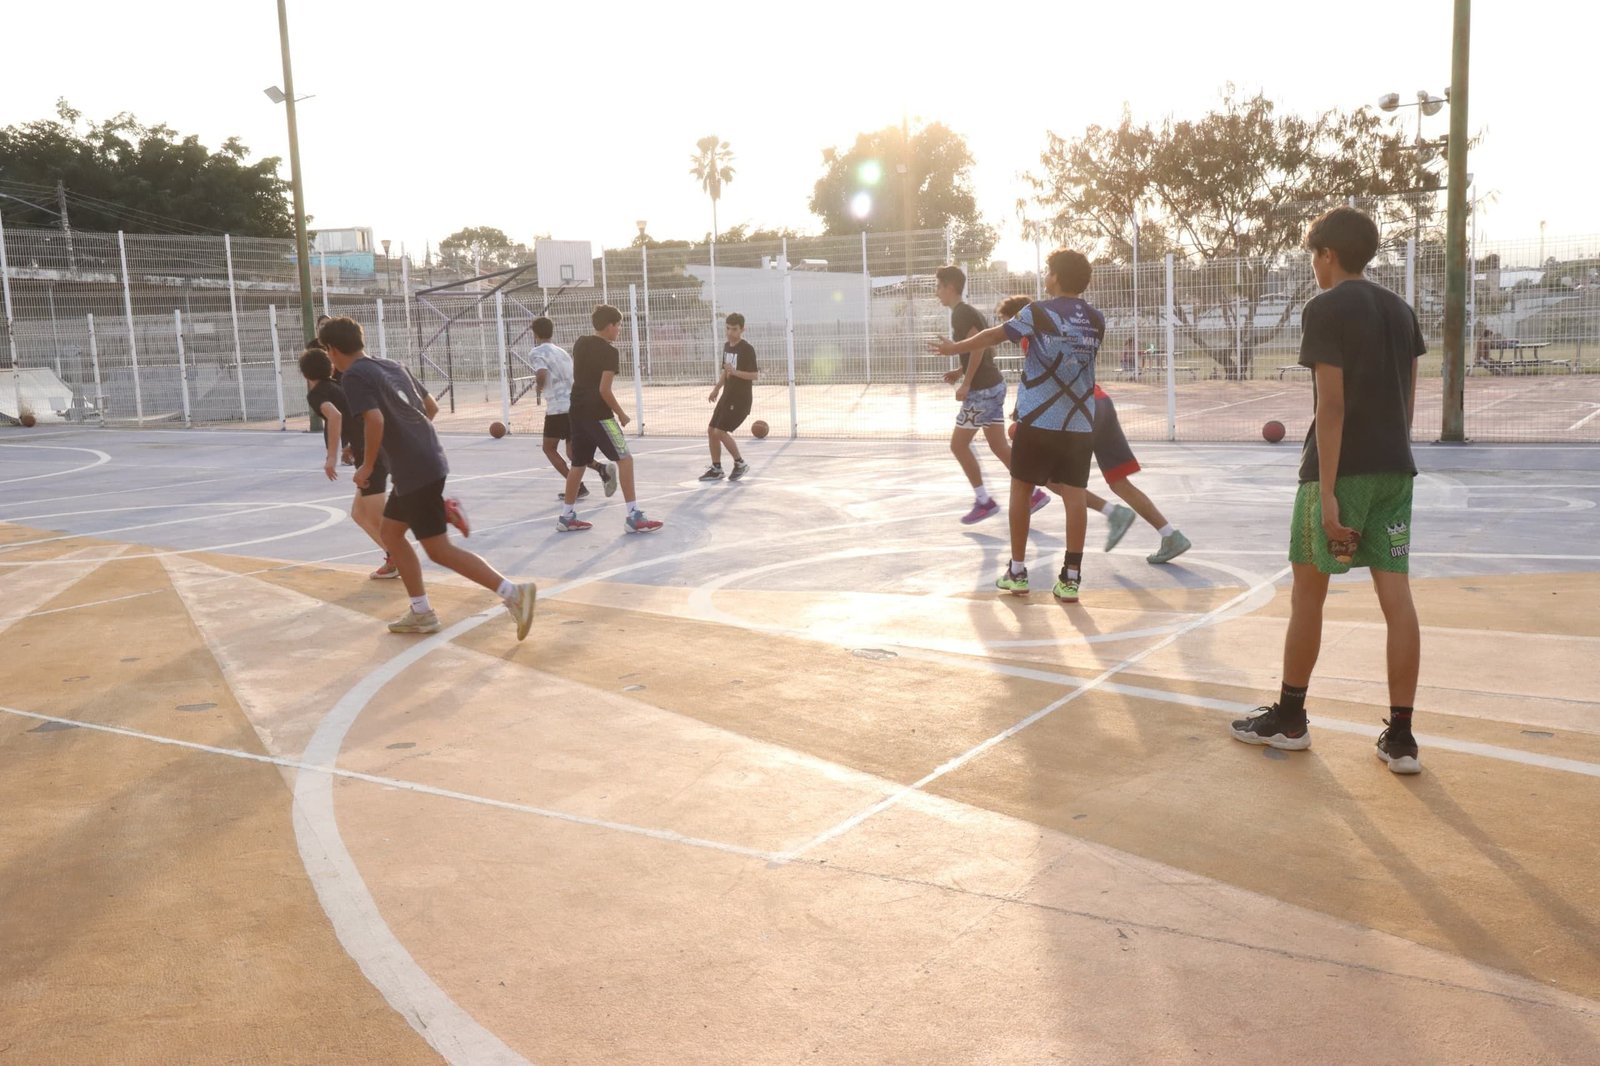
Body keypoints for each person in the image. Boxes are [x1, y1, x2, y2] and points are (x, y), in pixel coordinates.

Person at [1228, 206, 1425, 775]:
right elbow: (1408, 399)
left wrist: (1332, 491)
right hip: (1395, 468)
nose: (1312, 266)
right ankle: (1402, 739)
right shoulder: (1399, 310)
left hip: (1338, 470)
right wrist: (1390, 451)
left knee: (1307, 596)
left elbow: (1331, 406)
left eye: (1312, 256)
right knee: (1398, 601)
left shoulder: (1326, 307)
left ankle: (1291, 719)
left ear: (1327, 254)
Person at [319, 316, 537, 640]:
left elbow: (375, 421)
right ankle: (421, 611)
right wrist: (410, 440)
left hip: (415, 470)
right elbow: (430, 407)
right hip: (427, 459)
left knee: (438, 550)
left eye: (328, 352)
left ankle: (512, 593)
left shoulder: (353, 376)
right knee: (391, 534)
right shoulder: (392, 365)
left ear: (333, 350)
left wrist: (367, 466)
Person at [932, 250, 1101, 604]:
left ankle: (1018, 572)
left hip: (1038, 419)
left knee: (1021, 490)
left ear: (1055, 277)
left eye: (1048, 271)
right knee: (1074, 496)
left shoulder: (1038, 312)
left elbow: (994, 336)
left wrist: (955, 349)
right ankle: (1071, 578)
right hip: (1080, 422)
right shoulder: (1096, 319)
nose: (1046, 275)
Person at [995, 295, 1192, 565]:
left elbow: (1039, 381)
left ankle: (1102, 523)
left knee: (1051, 480)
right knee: (1118, 482)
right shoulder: (1062, 328)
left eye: (1006, 322)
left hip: (1079, 412)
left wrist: (1021, 418)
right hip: (1100, 403)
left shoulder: (1033, 336)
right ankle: (1169, 534)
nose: (1007, 330)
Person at [935, 266, 1047, 523]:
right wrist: (959, 370)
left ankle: (984, 500)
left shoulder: (961, 314)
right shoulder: (967, 312)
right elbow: (980, 348)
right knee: (998, 446)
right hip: (993, 384)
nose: (936, 292)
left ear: (950, 287)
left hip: (982, 390)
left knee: (958, 444)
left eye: (938, 286)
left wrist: (966, 383)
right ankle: (1033, 494)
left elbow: (977, 348)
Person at [558, 305, 663, 534]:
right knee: (625, 459)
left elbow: (583, 378)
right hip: (600, 415)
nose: (619, 331)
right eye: (618, 326)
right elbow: (604, 390)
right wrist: (621, 413)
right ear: (609, 326)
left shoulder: (581, 342)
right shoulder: (610, 352)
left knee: (578, 464)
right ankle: (634, 515)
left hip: (576, 411)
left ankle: (566, 517)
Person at [299, 345, 396, 579]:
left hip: (373, 454)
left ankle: (400, 557)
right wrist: (350, 444)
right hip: (368, 449)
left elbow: (335, 415)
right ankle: (394, 557)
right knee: (359, 514)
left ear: (304, 374)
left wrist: (331, 456)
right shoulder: (335, 387)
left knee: (375, 515)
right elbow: (355, 416)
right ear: (331, 368)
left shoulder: (318, 393)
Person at [527, 316, 613, 501]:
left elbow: (541, 372)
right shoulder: (562, 352)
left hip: (557, 407)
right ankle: (602, 469)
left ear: (534, 334)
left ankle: (576, 486)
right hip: (573, 405)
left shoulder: (536, 352)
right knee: (573, 452)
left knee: (549, 448)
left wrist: (539, 388)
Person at [700, 313, 758, 481]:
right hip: (727, 396)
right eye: (727, 328)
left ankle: (740, 463)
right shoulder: (727, 346)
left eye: (734, 329)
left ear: (742, 329)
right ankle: (716, 468)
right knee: (711, 431)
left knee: (720, 431)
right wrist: (716, 389)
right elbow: (726, 371)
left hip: (740, 399)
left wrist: (736, 372)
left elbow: (754, 375)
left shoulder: (747, 349)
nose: (730, 332)